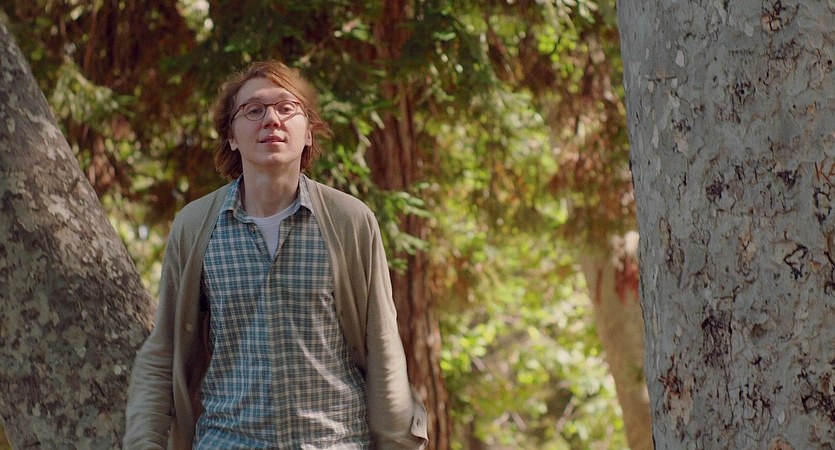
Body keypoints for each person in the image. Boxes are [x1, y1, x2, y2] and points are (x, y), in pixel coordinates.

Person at [124, 60, 427, 449]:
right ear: (231, 136)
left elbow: (382, 346)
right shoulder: (195, 227)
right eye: (253, 110)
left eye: (287, 107)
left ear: (308, 132)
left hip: (334, 441)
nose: (271, 119)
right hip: (227, 441)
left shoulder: (349, 222)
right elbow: (163, 353)